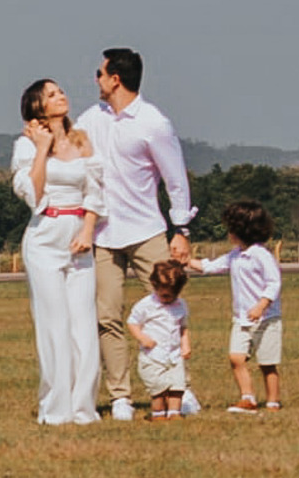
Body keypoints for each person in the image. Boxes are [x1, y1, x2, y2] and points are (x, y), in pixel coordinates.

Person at [77, 48, 197, 422]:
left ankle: (179, 388)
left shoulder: (153, 122)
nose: (95, 79)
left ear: (115, 79)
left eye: (99, 73)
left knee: (168, 310)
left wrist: (181, 230)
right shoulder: (90, 118)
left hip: (146, 230)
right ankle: (121, 396)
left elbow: (175, 178)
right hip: (103, 234)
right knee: (107, 316)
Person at [11, 78, 104, 425]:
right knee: (54, 324)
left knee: (83, 324)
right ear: (38, 106)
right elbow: (32, 196)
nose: (60, 95)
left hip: (79, 236)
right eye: (51, 94)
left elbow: (95, 191)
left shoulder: (81, 141)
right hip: (44, 237)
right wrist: (41, 147)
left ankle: (83, 408)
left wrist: (89, 230)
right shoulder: (25, 146)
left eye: (60, 90)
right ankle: (55, 408)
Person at [187, 200, 284, 413]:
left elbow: (274, 282)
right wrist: (186, 261)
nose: (228, 233)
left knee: (267, 364)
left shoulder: (261, 255)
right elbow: (211, 266)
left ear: (241, 231)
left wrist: (262, 305)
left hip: (267, 319)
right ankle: (247, 398)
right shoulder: (235, 254)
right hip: (242, 319)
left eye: (230, 229)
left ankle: (273, 402)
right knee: (236, 357)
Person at [127, 261, 193, 421]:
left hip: (174, 355)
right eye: (164, 295)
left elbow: (183, 327)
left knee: (178, 386)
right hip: (153, 355)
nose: (168, 299)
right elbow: (132, 323)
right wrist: (143, 338)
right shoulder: (146, 305)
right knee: (158, 389)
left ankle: (174, 413)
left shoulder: (180, 305)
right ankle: (158, 414)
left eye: (173, 295)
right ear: (155, 286)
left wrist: (185, 345)